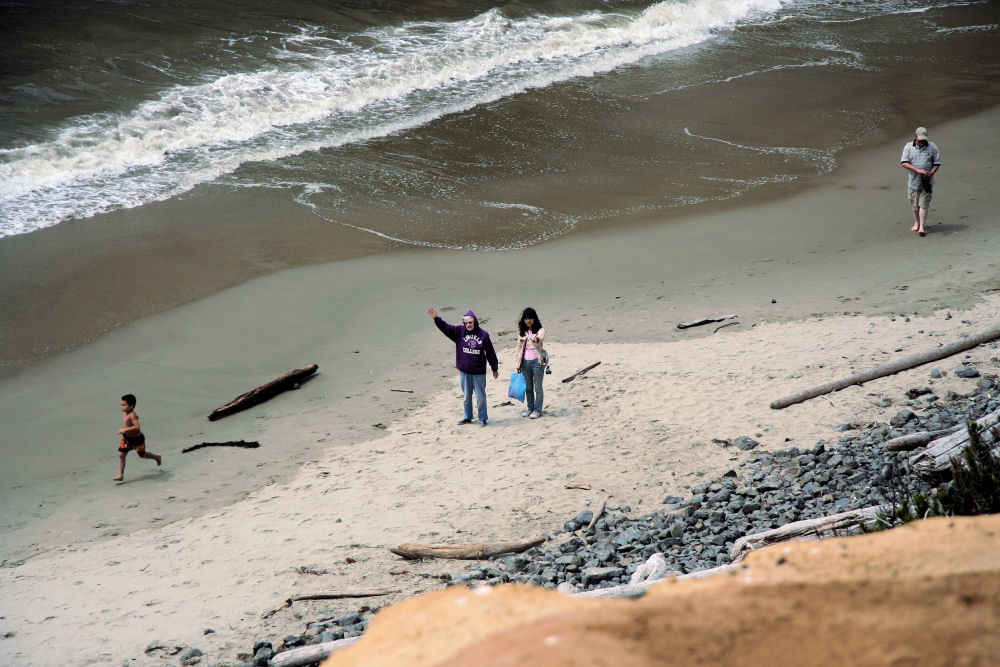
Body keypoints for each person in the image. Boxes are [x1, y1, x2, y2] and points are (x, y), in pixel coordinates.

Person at [427, 307, 499, 426]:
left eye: (470, 322)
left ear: (475, 322)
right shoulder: (459, 332)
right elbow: (446, 328)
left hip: (478, 372)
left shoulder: (483, 335)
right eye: (466, 323)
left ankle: (482, 418)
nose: (468, 325)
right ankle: (467, 417)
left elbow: (490, 352)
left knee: (481, 397)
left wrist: (494, 368)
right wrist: (436, 318)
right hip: (464, 371)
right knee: (466, 397)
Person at [900, 126, 941, 237]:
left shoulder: (932, 147)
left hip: (927, 181)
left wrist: (931, 173)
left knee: (924, 204)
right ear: (915, 136)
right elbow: (904, 162)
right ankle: (917, 223)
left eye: (924, 138)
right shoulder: (908, 147)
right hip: (914, 180)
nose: (922, 140)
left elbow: (937, 163)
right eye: (920, 138)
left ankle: (922, 226)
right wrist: (917, 170)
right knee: (914, 204)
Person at [114, 393, 161, 481]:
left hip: (137, 439)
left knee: (142, 455)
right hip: (127, 439)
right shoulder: (125, 412)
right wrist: (126, 431)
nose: (122, 407)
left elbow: (137, 426)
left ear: (131, 406)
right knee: (121, 455)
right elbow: (135, 419)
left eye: (124, 405)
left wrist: (125, 430)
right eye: (121, 405)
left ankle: (157, 457)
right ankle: (121, 475)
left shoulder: (132, 415)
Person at [515, 307, 547, 419]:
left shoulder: (540, 330)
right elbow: (518, 350)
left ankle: (538, 410)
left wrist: (536, 339)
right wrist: (518, 364)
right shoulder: (522, 333)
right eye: (526, 318)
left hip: (537, 362)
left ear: (534, 319)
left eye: (530, 318)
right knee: (528, 387)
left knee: (538, 388)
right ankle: (530, 408)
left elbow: (541, 337)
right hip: (525, 363)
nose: (528, 321)